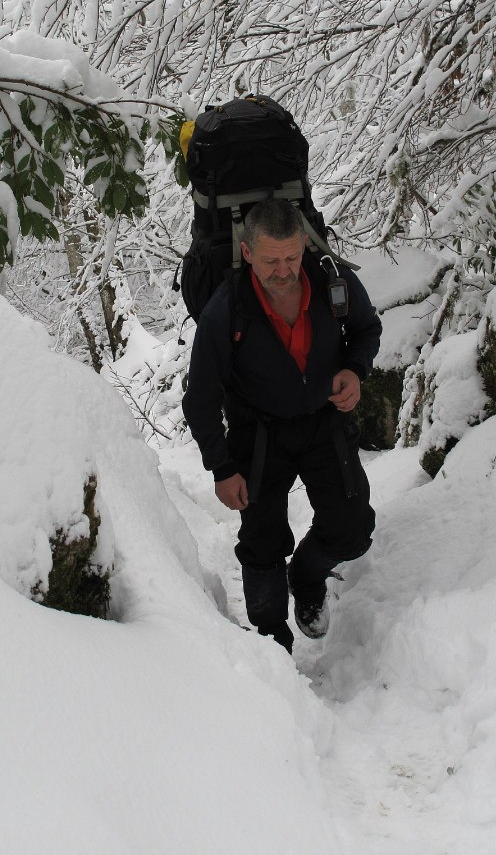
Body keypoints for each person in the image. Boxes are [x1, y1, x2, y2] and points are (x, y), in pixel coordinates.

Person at [182, 199, 382, 653]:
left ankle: (307, 577)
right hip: (259, 436)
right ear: (248, 252)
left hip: (324, 422)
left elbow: (366, 329)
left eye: (292, 257)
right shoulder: (225, 310)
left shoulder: (333, 281)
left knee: (352, 528)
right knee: (261, 544)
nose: (283, 270)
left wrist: (355, 369)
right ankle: (271, 642)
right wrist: (221, 467)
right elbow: (200, 398)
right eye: (271, 260)